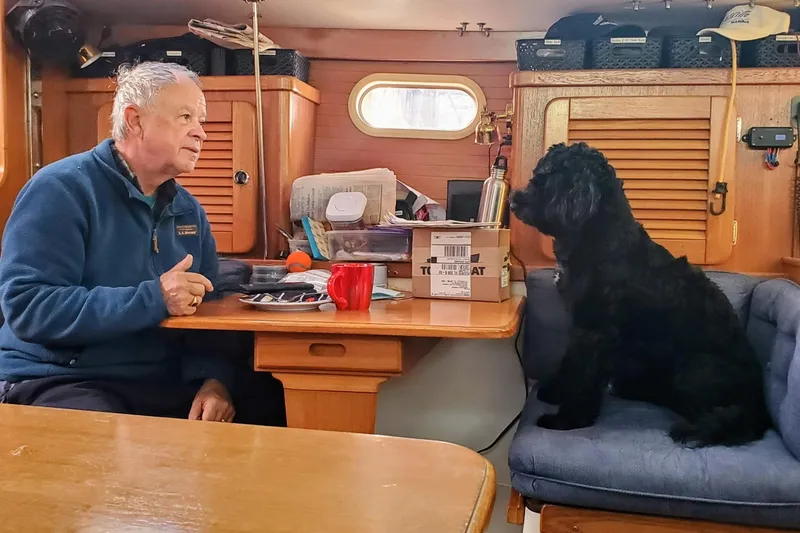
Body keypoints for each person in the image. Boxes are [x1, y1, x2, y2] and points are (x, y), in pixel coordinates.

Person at [0, 61, 241, 422]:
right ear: (135, 120)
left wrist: (213, 380)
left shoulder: (188, 210)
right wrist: (154, 298)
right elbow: (29, 308)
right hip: (61, 379)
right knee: (107, 446)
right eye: (185, 117)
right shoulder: (59, 190)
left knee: (270, 405)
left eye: (201, 121)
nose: (201, 133)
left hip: (158, 380)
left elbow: (210, 310)